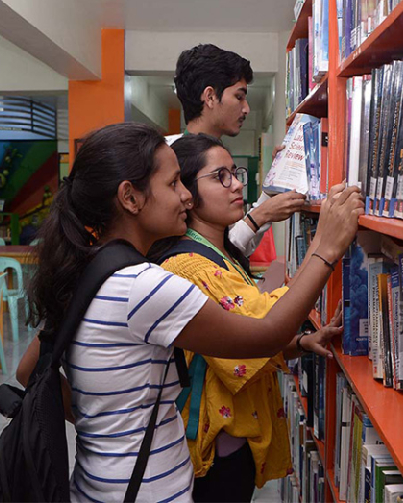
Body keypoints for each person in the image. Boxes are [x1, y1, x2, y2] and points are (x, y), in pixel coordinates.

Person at [17, 123, 363, 503]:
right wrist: (326, 246)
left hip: (98, 485)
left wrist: (104, 426)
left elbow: (29, 368)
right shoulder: (143, 286)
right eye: (172, 185)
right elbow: (266, 332)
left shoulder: (93, 269)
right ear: (130, 198)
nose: (186, 196)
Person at [150, 133, 348, 502]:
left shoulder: (219, 254)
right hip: (213, 460)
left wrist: (301, 341)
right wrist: (325, 245)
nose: (238, 183)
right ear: (187, 194)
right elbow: (263, 328)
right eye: (220, 176)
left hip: (233, 446)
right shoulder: (188, 265)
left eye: (235, 172)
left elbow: (241, 331)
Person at [168, 43, 307, 257]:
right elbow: (206, 254)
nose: (246, 109)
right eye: (239, 96)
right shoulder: (166, 161)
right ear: (211, 97)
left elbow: (238, 247)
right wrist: (259, 216)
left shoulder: (220, 155)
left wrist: (271, 190)